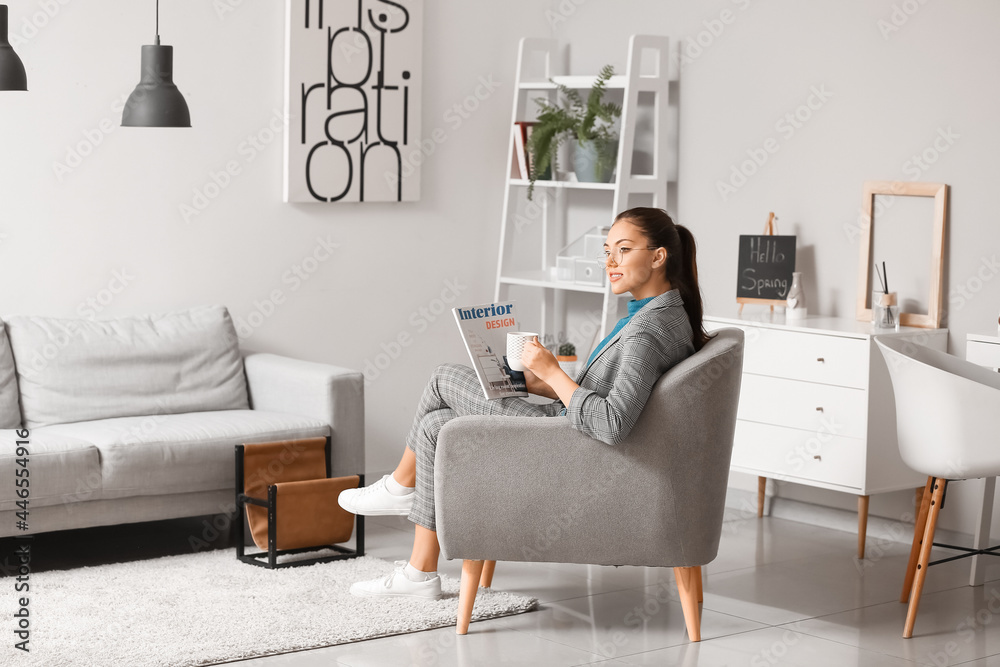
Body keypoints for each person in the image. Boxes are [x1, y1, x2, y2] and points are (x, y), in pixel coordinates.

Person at [338, 207, 710, 599]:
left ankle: (399, 488)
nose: (611, 262)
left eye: (623, 249)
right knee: (436, 426)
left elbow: (611, 423)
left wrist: (552, 373)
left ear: (658, 256)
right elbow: (608, 399)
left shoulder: (646, 332)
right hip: (568, 426)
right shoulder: (661, 316)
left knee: (443, 377)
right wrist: (540, 382)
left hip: (565, 442)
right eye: (606, 251)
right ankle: (419, 575)